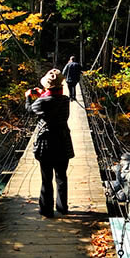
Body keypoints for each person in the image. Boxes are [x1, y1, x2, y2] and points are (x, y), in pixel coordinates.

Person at [25, 69, 74, 218]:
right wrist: (43, 94)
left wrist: (28, 97)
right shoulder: (65, 100)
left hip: (45, 144)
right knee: (61, 177)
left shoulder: (41, 102)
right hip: (63, 142)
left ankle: (46, 210)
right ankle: (62, 207)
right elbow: (52, 102)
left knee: (46, 179)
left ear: (47, 86)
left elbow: (29, 110)